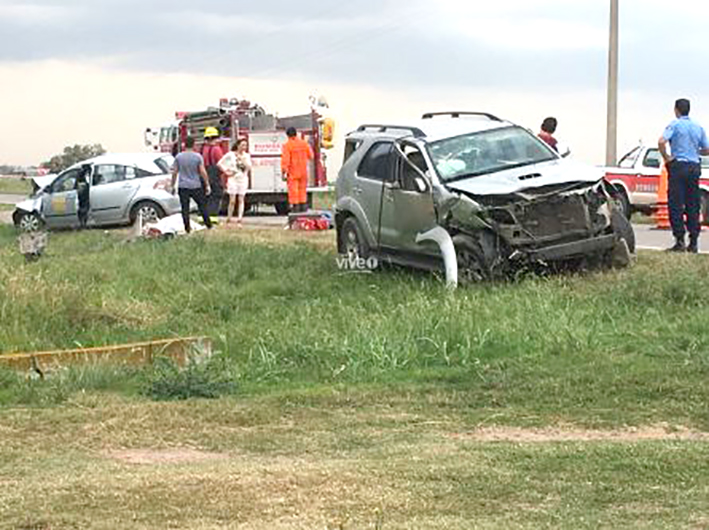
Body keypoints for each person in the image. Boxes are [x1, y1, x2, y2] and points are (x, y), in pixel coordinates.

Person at [659, 98, 709, 253]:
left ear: (676, 110)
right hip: (694, 168)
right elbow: (707, 149)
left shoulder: (675, 124)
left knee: (676, 205)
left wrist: (667, 157)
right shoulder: (698, 127)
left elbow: (661, 141)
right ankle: (693, 242)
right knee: (692, 205)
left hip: (678, 167)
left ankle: (679, 240)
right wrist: (695, 151)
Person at [171, 136, 213, 233]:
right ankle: (208, 225)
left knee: (185, 208)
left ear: (184, 144)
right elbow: (202, 171)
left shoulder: (179, 157)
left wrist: (172, 185)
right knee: (202, 206)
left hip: (183, 186)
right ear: (194, 144)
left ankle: (187, 228)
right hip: (195, 185)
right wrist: (207, 184)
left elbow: (175, 172)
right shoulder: (197, 157)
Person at [218, 138, 252, 227]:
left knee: (241, 199)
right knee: (232, 200)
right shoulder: (231, 154)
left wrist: (243, 160)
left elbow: (249, 167)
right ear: (238, 145)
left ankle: (239, 220)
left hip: (243, 179)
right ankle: (229, 219)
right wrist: (226, 172)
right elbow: (220, 163)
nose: (244, 147)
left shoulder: (247, 156)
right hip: (233, 179)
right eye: (242, 145)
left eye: (245, 145)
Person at [281, 127, 313, 213]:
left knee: (293, 192)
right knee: (302, 190)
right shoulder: (304, 144)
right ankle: (303, 208)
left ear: (288, 135)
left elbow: (285, 160)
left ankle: (295, 210)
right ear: (296, 133)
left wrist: (284, 171)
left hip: (293, 173)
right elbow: (311, 156)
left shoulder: (287, 146)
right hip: (303, 172)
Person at [202, 127, 225, 220]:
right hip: (214, 177)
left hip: (204, 175)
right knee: (215, 196)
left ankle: (204, 217)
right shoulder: (216, 149)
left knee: (206, 197)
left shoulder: (203, 149)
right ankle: (212, 218)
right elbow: (221, 163)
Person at [76, 164, 91, 229]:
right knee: (83, 208)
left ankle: (84, 223)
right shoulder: (81, 175)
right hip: (83, 195)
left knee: (84, 208)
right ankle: (83, 223)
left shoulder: (85, 175)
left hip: (86, 194)